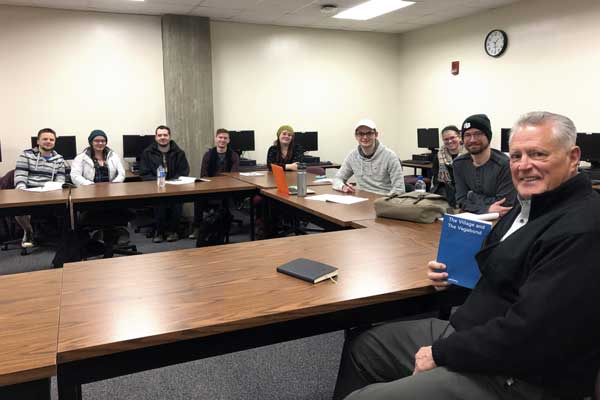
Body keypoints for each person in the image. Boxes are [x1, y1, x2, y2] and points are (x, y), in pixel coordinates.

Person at [332, 111, 600, 400]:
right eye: (516, 156)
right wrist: (453, 276)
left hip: (514, 374)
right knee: (364, 346)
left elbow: (529, 335)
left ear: (573, 157)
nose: (524, 166)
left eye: (538, 154)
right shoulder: (531, 207)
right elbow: (503, 270)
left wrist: (440, 353)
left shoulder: (581, 227)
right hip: (471, 334)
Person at [453, 114, 516, 216]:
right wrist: (487, 209)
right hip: (471, 219)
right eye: (467, 135)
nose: (472, 139)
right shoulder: (458, 164)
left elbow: (505, 205)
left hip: (500, 220)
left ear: (488, 136)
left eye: (478, 134)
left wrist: (471, 196)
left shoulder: (505, 164)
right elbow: (461, 200)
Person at [14, 128, 66, 248]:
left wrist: (57, 189)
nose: (48, 141)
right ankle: (28, 231)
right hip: (29, 191)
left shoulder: (59, 158)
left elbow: (60, 178)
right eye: (45, 139)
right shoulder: (26, 155)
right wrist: (21, 192)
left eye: (51, 139)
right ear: (38, 141)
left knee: (68, 205)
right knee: (17, 208)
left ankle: (65, 238)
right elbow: (20, 176)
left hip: (49, 192)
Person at [139, 125, 190, 243]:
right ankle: (159, 231)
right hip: (155, 187)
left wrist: (170, 183)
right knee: (159, 202)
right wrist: (158, 182)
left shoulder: (179, 153)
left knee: (177, 202)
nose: (162, 137)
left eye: (165, 135)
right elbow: (144, 173)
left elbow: (184, 171)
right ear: (155, 137)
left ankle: (174, 231)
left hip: (174, 187)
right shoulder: (147, 153)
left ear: (169, 137)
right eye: (160, 135)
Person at [190, 128, 240, 239]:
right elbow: (203, 174)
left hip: (228, 187)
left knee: (226, 199)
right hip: (210, 187)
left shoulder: (234, 155)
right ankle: (197, 227)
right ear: (215, 139)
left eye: (225, 138)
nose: (222, 140)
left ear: (229, 140)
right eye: (220, 137)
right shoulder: (208, 155)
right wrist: (213, 184)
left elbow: (234, 175)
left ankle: (224, 225)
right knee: (198, 198)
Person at [332, 119, 405, 196]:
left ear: (376, 135)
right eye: (360, 134)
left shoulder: (390, 157)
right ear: (356, 136)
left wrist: (383, 203)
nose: (365, 137)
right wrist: (343, 187)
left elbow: (399, 190)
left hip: (383, 200)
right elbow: (337, 179)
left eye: (369, 133)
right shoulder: (352, 156)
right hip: (360, 200)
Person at [431, 125, 465, 207]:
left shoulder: (468, 155)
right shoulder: (439, 156)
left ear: (459, 137)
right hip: (446, 192)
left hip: (465, 190)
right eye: (446, 139)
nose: (449, 141)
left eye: (452, 137)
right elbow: (437, 181)